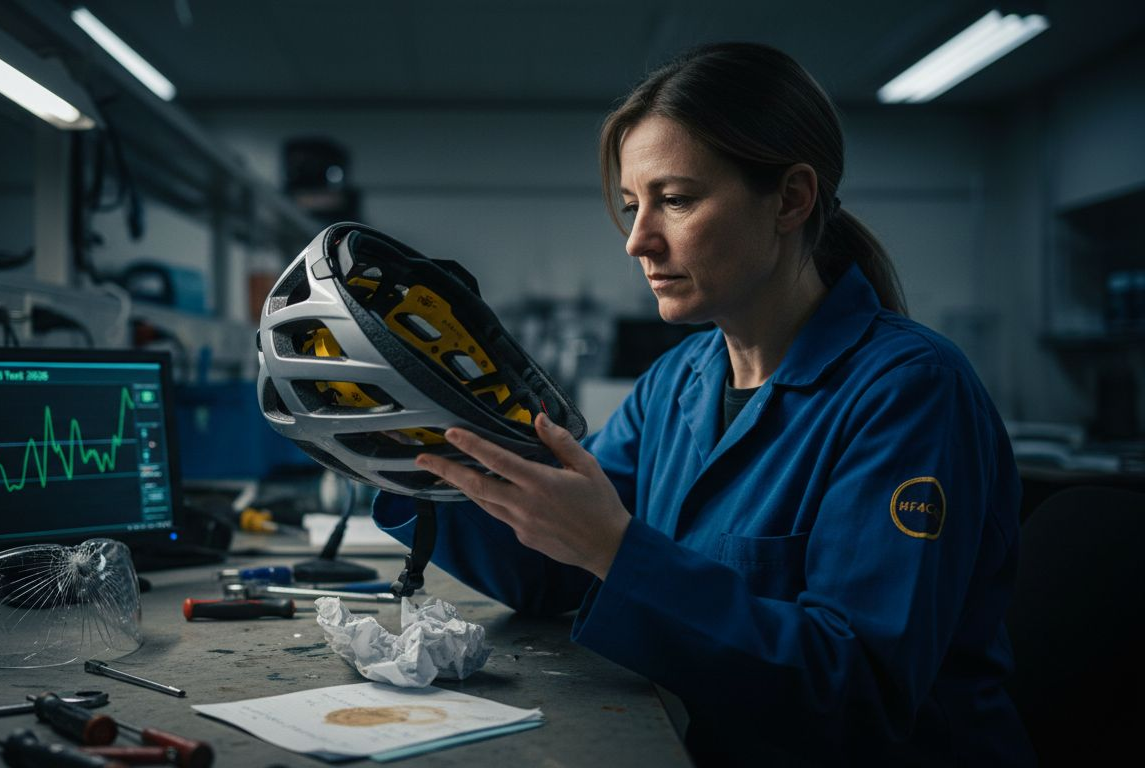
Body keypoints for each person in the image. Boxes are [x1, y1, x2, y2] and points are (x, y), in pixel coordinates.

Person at [372, 42, 1034, 764]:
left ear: (790, 198)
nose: (637, 240)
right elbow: (551, 565)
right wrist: (399, 448)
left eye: (676, 200)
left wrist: (615, 549)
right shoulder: (677, 382)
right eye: (631, 206)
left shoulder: (910, 391)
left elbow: (856, 692)